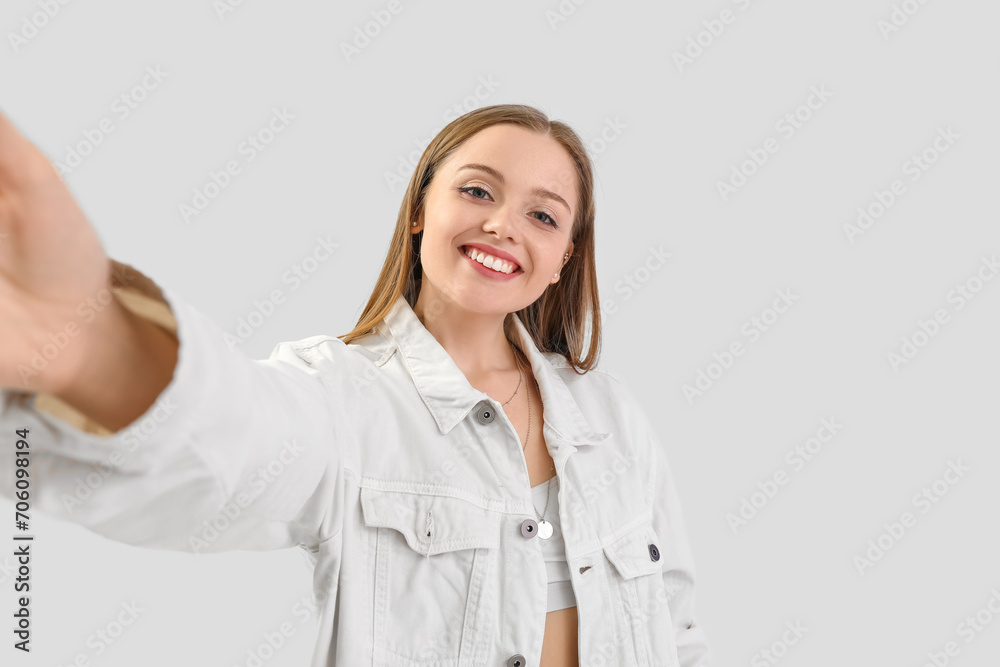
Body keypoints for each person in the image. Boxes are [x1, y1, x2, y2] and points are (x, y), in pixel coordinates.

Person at [0, 103, 712, 666]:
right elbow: (235, 442)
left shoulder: (611, 416)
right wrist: (90, 347)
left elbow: (674, 628)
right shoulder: (343, 398)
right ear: (419, 210)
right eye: (476, 190)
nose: (502, 224)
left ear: (563, 258)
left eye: (543, 215)